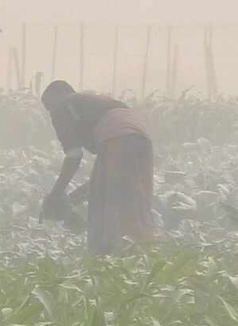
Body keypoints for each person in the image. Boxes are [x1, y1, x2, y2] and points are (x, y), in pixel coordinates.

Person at [39, 80, 155, 254]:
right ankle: (144, 250)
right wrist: (71, 199)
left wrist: (56, 194)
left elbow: (73, 156)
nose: (50, 113)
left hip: (117, 138)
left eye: (49, 106)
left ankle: (106, 255)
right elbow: (106, 178)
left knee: (107, 206)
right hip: (141, 139)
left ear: (58, 97)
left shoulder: (62, 106)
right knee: (134, 198)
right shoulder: (94, 103)